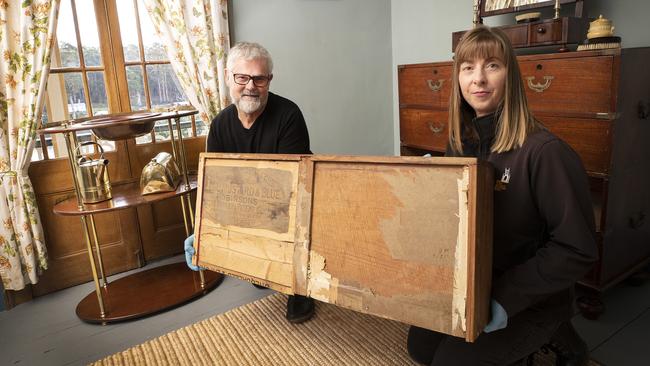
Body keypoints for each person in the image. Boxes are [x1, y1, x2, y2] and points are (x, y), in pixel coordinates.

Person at [406, 26, 598, 365]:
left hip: (527, 297)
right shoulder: (459, 144)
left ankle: (557, 328)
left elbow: (577, 248)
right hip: (477, 281)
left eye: (492, 65)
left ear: (510, 75)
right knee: (420, 348)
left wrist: (506, 299)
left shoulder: (545, 151)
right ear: (459, 79)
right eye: (468, 68)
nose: (478, 78)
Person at [184, 41, 315, 324]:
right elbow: (215, 187)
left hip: (289, 204)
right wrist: (202, 231)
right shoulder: (220, 124)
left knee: (301, 219)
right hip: (248, 202)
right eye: (242, 77)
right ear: (229, 77)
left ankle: (301, 291)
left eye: (259, 78)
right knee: (260, 277)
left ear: (269, 80)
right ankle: (267, 266)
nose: (250, 86)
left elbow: (288, 189)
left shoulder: (288, 115)